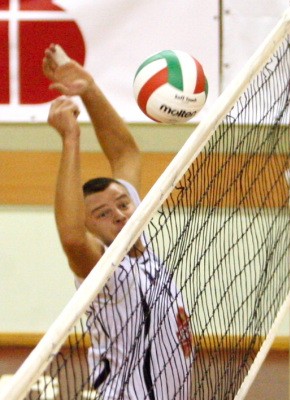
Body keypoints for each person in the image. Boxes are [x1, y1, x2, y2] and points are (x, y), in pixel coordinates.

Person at [44, 44, 193, 399]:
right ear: (91, 228)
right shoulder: (106, 271)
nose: (120, 215)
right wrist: (71, 138)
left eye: (123, 204)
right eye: (102, 214)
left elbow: (125, 153)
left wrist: (90, 90)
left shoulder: (138, 237)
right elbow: (72, 239)